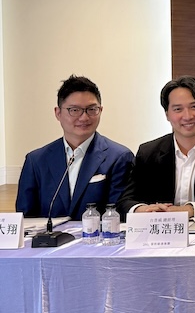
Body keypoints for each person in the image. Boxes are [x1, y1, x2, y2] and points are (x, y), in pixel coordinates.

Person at [116, 76, 195, 221]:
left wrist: (190, 210)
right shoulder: (148, 153)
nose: (187, 116)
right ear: (167, 114)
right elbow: (125, 201)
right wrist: (144, 210)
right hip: (160, 229)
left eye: (194, 107)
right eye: (178, 109)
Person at [16, 75, 133, 219]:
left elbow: (118, 214)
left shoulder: (119, 157)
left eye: (92, 109)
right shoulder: (36, 160)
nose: (84, 117)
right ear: (58, 113)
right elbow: (25, 217)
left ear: (101, 110)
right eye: (74, 110)